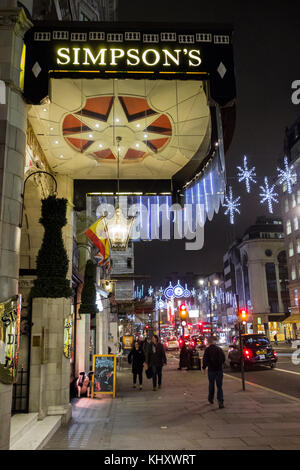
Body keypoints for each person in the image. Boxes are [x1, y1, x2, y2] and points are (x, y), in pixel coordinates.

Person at [201, 336, 225, 408]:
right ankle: (220, 401)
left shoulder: (207, 350)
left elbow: (205, 360)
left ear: (209, 342)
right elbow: (223, 358)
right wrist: (221, 365)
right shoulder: (219, 349)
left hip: (211, 370)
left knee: (211, 385)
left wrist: (203, 368)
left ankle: (210, 399)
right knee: (219, 386)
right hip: (219, 370)